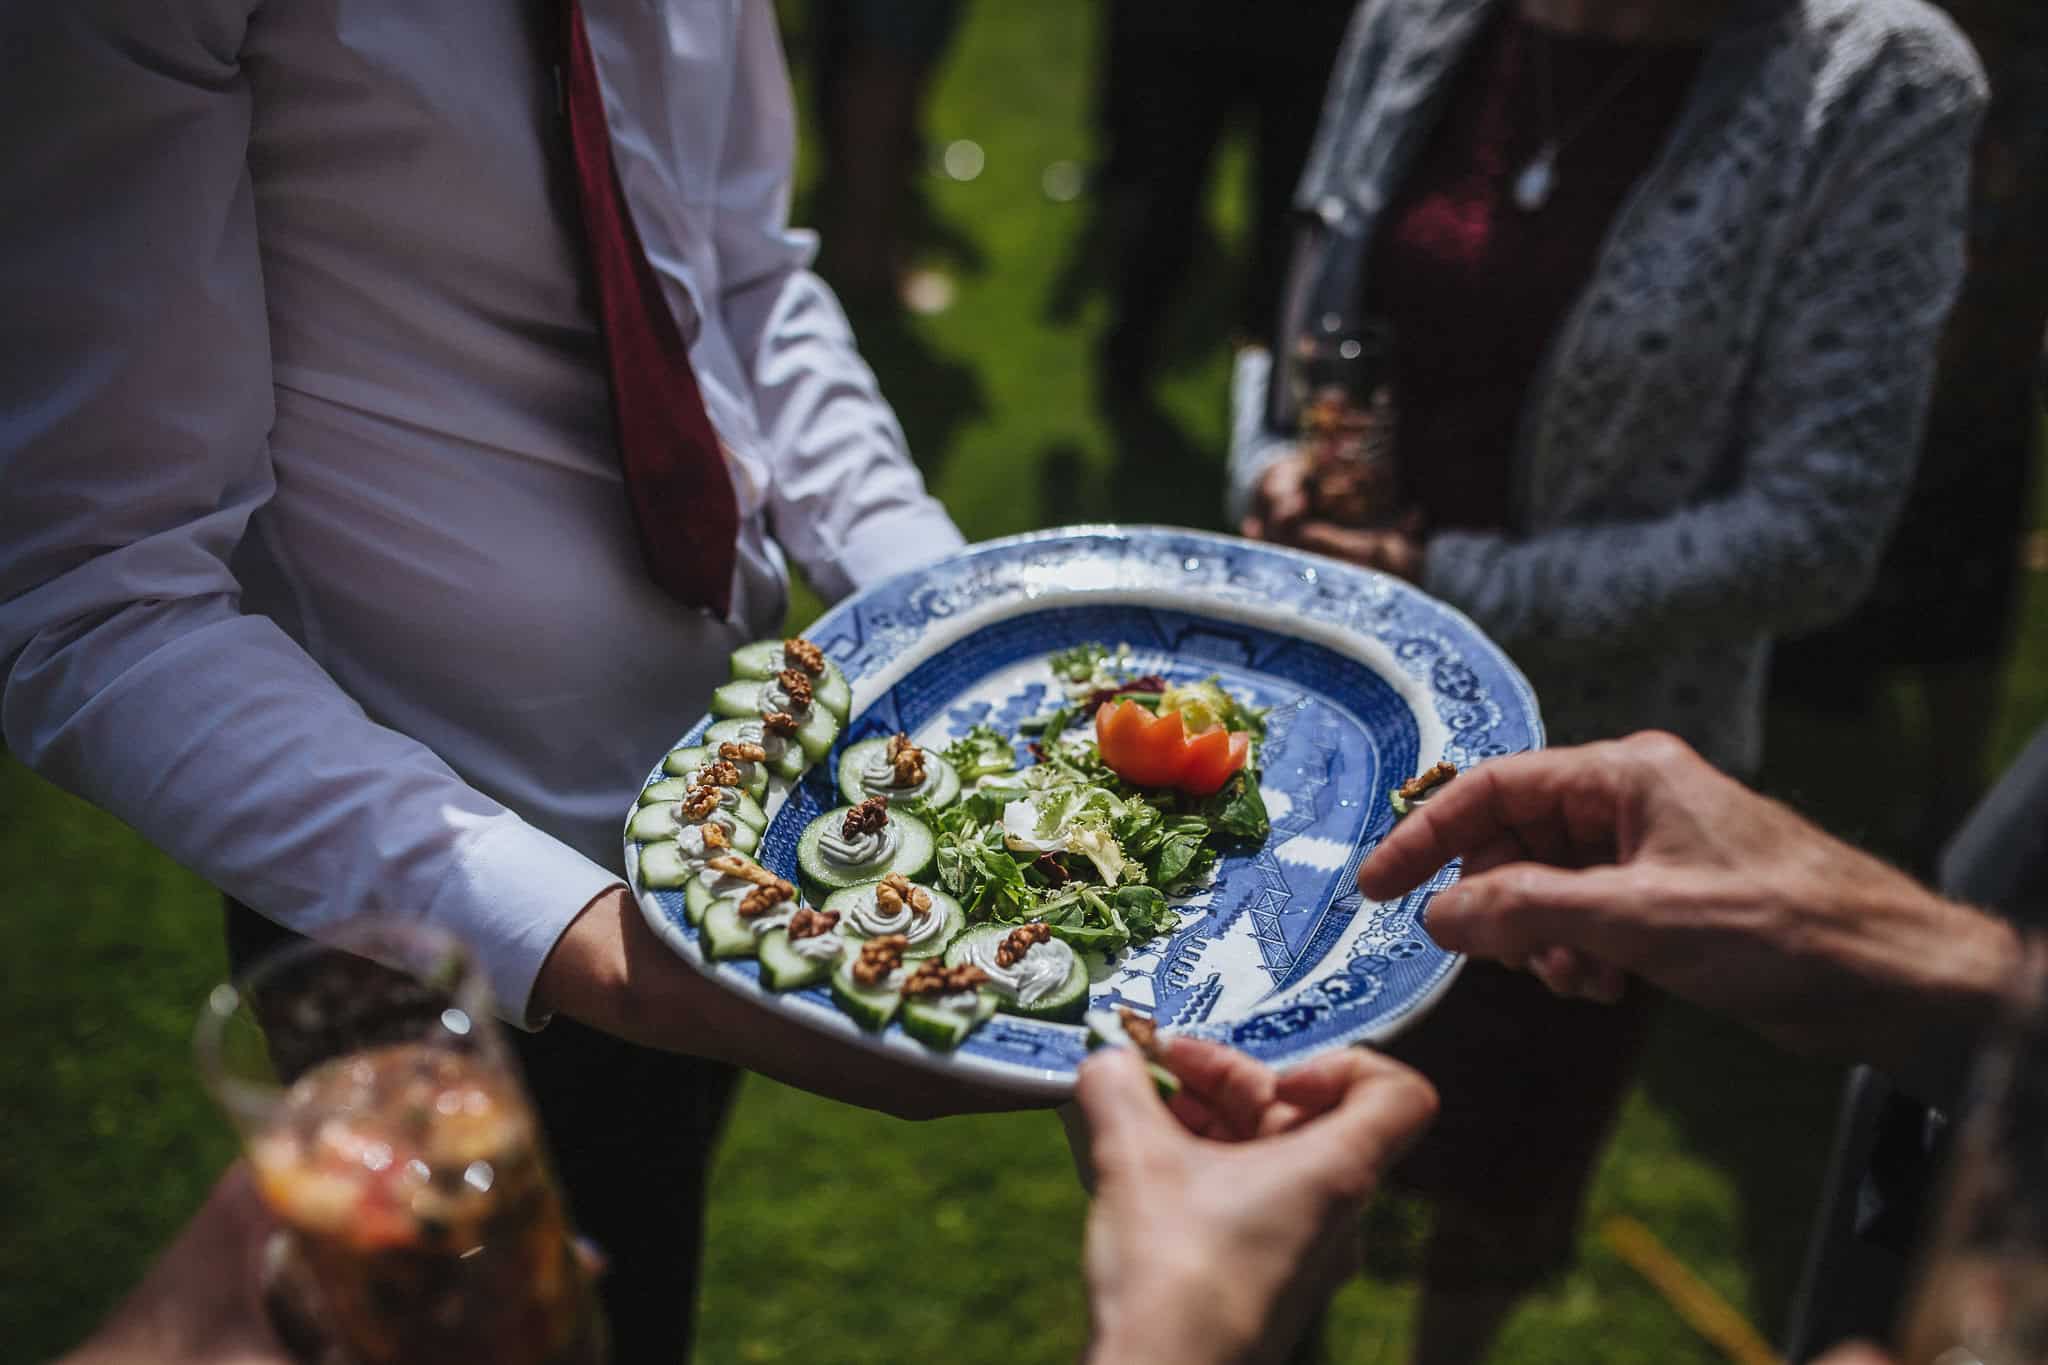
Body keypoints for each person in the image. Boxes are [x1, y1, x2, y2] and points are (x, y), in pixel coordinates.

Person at [0, 3, 979, 1358]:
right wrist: (615, 963)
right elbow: (96, 591)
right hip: (421, 914)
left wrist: (956, 606)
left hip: (738, 818)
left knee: (644, 1289)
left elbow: (738, 267)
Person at [1228, 0, 1987, 1347]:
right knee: (1263, 1129)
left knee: (1491, 1163)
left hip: (1594, 783)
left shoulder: (1877, 80)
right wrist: (1285, 462)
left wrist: (1441, 571)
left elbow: (1815, 533)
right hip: (1331, 721)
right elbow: (1321, 304)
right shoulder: (1423, 15)